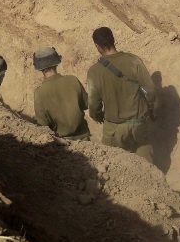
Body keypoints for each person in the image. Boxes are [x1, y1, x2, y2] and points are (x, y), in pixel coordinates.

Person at [87, 27, 159, 163]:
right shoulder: (134, 60)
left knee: (112, 164)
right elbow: (150, 90)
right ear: (113, 40)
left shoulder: (94, 72)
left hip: (115, 128)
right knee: (148, 165)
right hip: (140, 123)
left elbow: (93, 103)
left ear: (97, 46)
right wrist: (153, 110)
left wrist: (97, 116)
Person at [33, 46, 90, 141]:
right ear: (57, 62)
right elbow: (86, 104)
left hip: (62, 143)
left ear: (39, 68)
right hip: (84, 138)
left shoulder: (39, 93)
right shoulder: (73, 80)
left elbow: (43, 124)